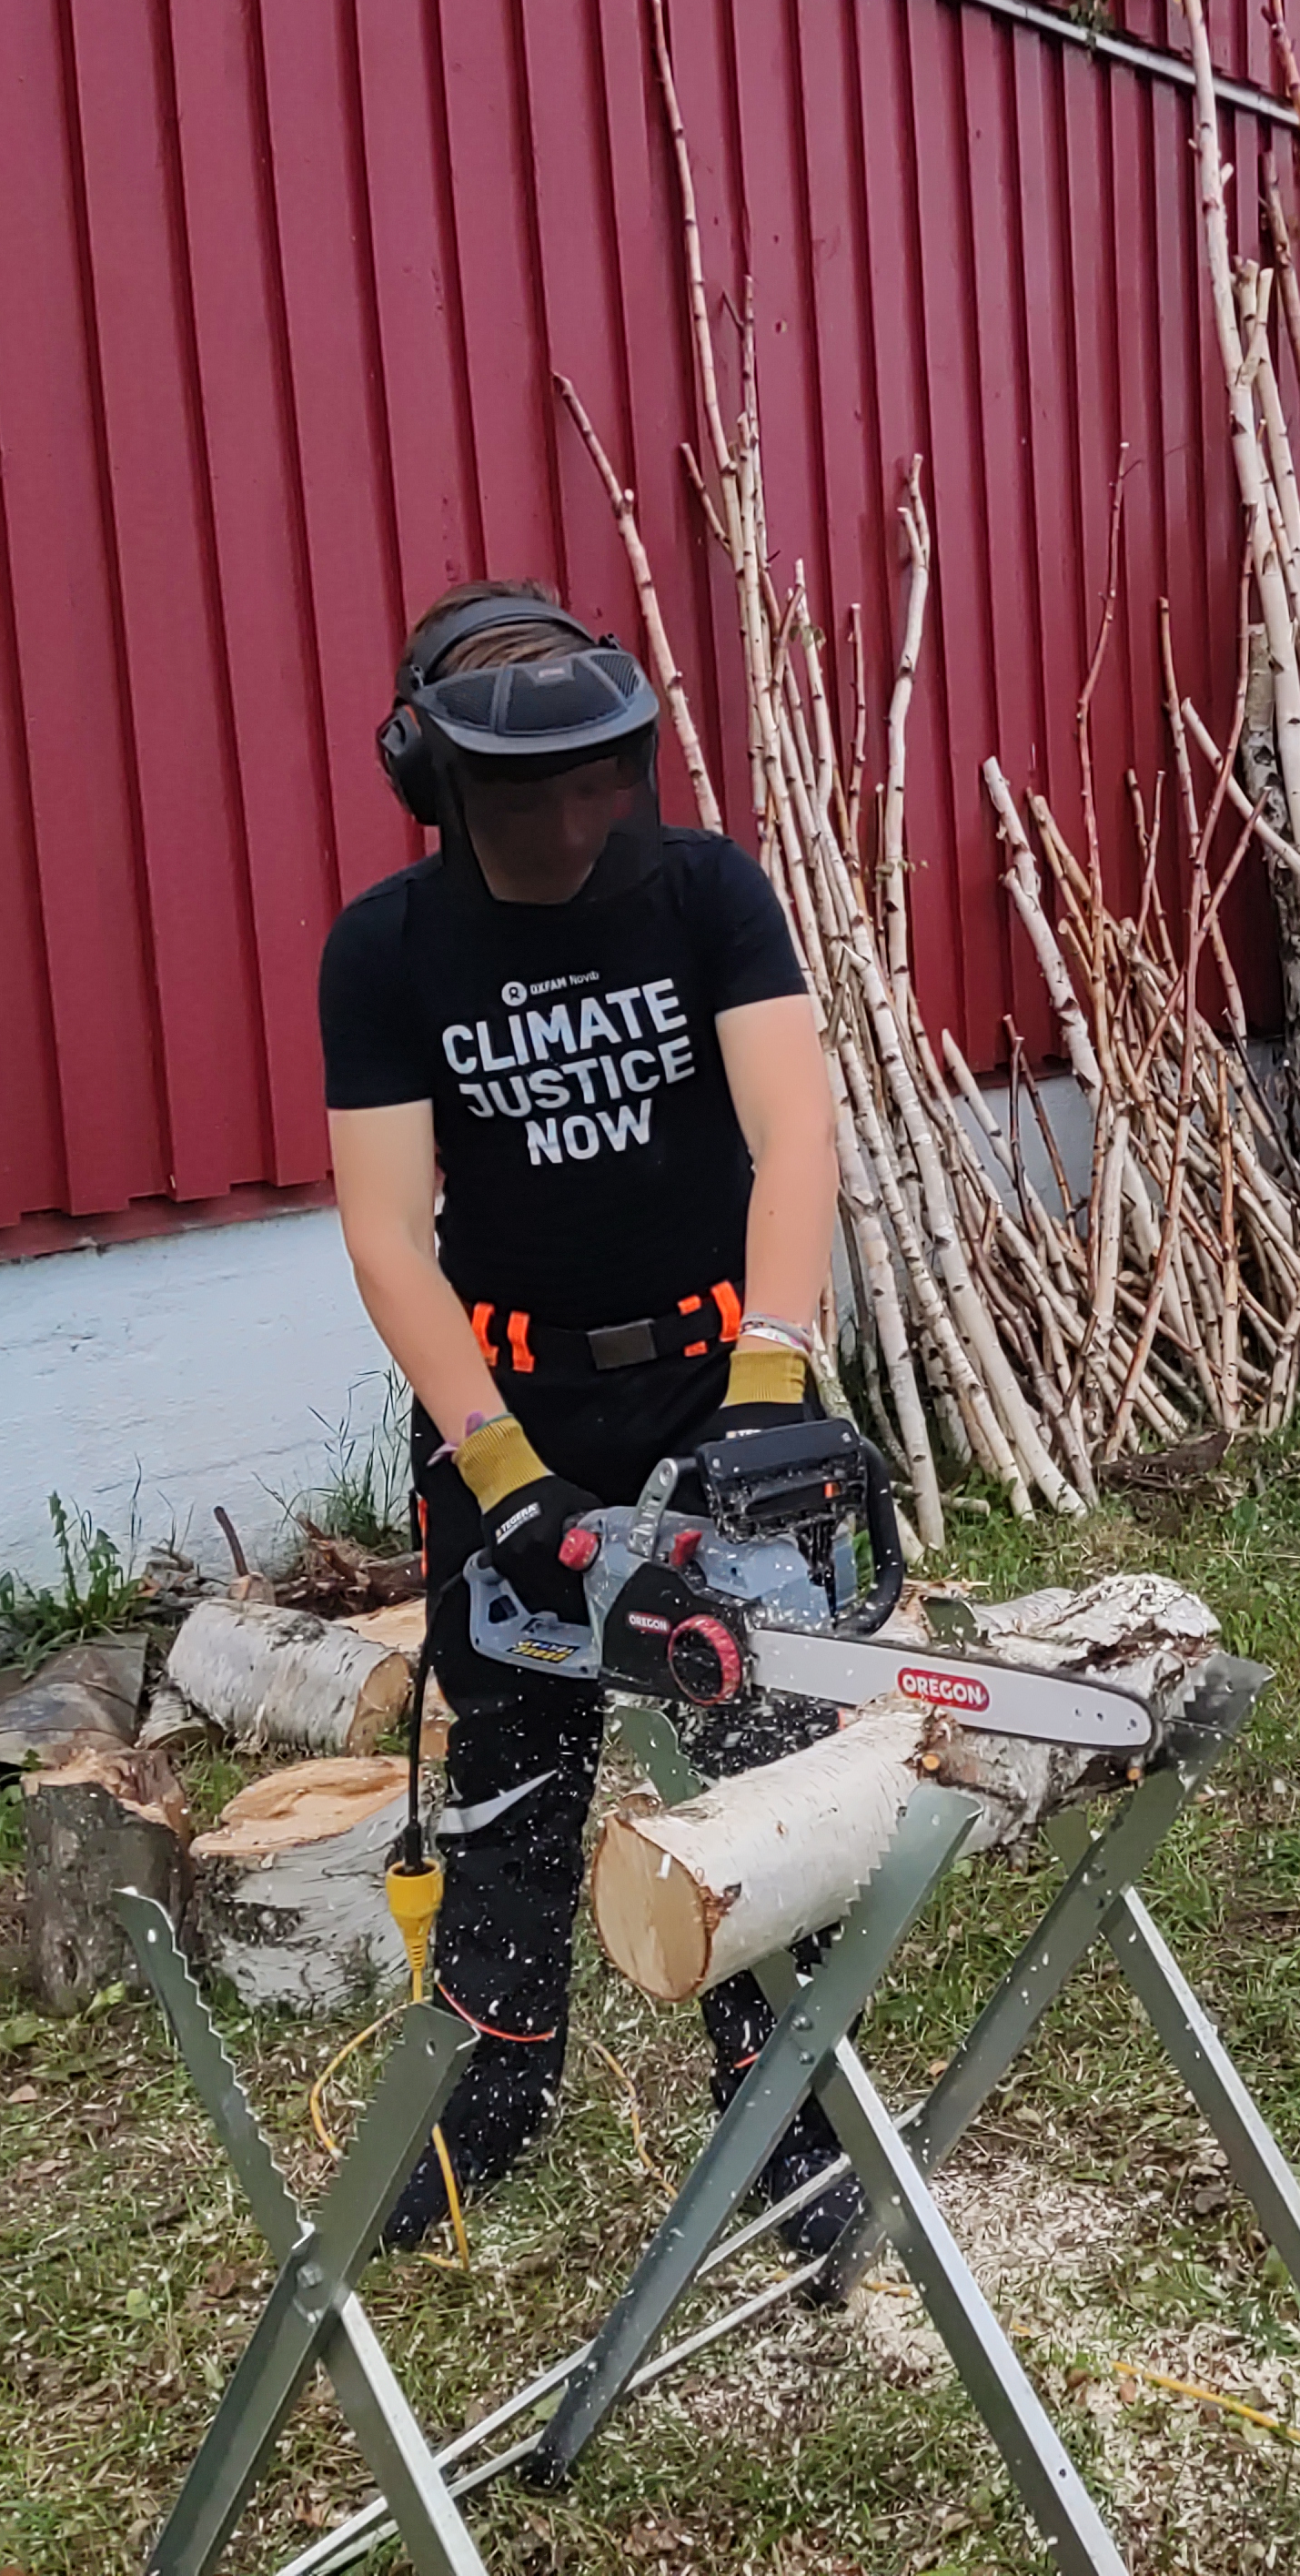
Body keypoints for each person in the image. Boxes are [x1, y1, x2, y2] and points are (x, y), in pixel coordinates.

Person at [318, 577, 847, 2251]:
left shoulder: (704, 895)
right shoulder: (389, 951)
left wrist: (769, 1374)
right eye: (524, 791)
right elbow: (388, 1231)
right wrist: (506, 1474)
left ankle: (792, 2108)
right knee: (515, 1765)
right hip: (510, 1386)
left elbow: (795, 1135)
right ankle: (491, 2098)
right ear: (436, 781)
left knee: (765, 1748)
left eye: (594, 782)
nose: (566, 822)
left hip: (711, 1369)